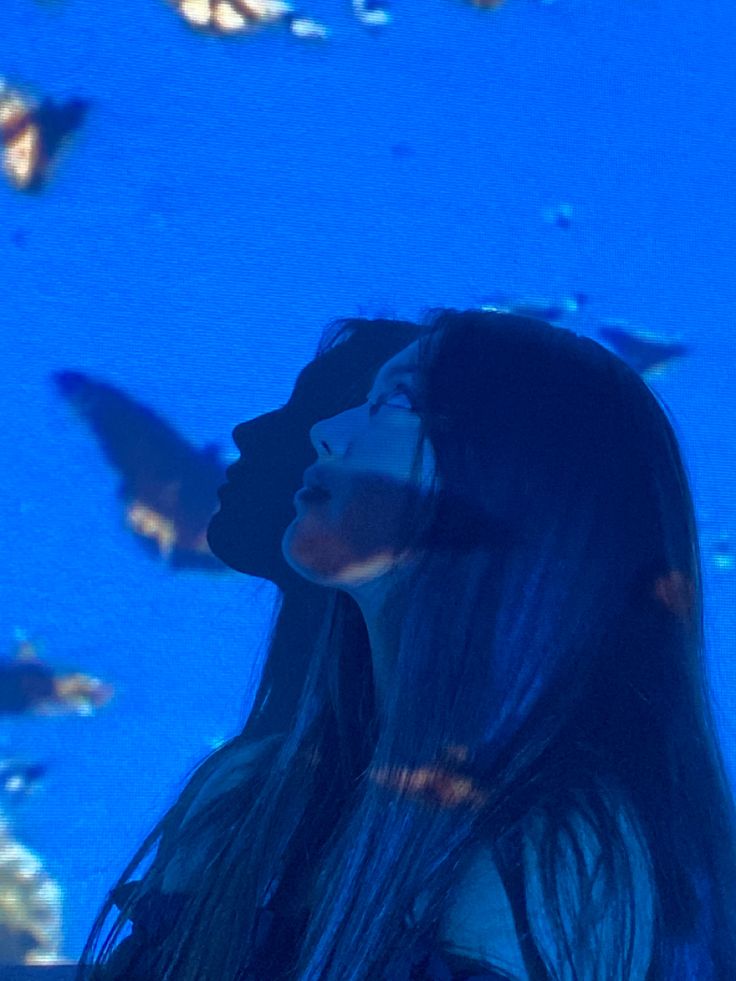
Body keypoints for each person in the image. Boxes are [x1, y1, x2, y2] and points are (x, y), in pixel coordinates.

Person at [79, 309, 736, 980]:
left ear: (516, 479)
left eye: (395, 401)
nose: (324, 432)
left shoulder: (553, 847)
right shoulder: (246, 795)